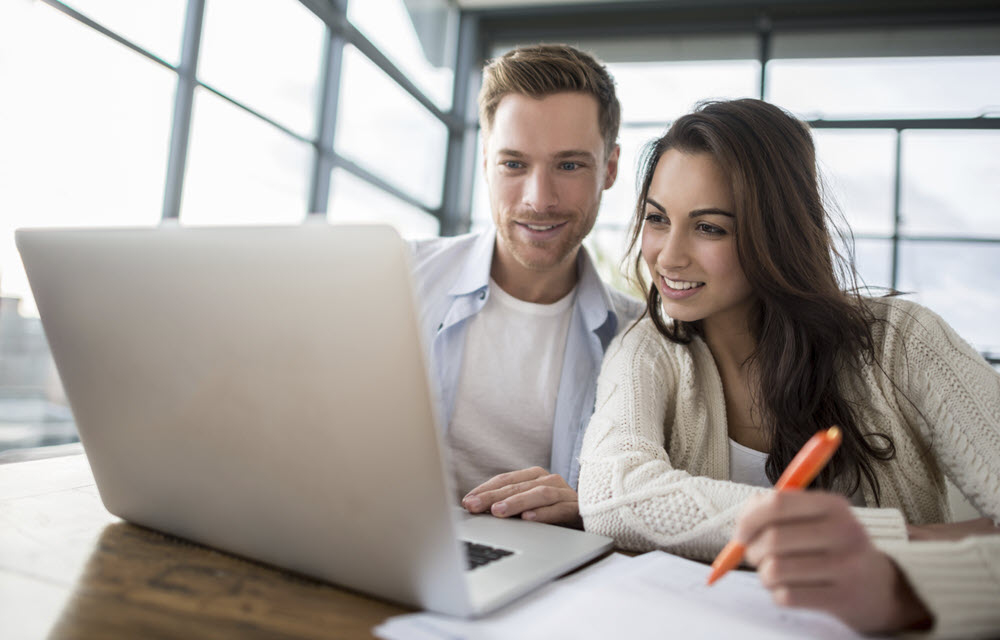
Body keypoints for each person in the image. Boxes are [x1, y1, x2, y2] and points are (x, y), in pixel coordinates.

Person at [576, 98, 1000, 636]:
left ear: (776, 232)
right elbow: (615, 496)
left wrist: (901, 584)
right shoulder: (648, 349)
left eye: (710, 228)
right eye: (658, 220)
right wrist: (892, 538)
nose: (668, 256)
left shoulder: (903, 340)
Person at [410, 44, 642, 527]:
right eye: (514, 164)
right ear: (485, 163)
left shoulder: (640, 339)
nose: (540, 200)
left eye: (570, 165)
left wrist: (591, 509)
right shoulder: (398, 279)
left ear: (611, 169)